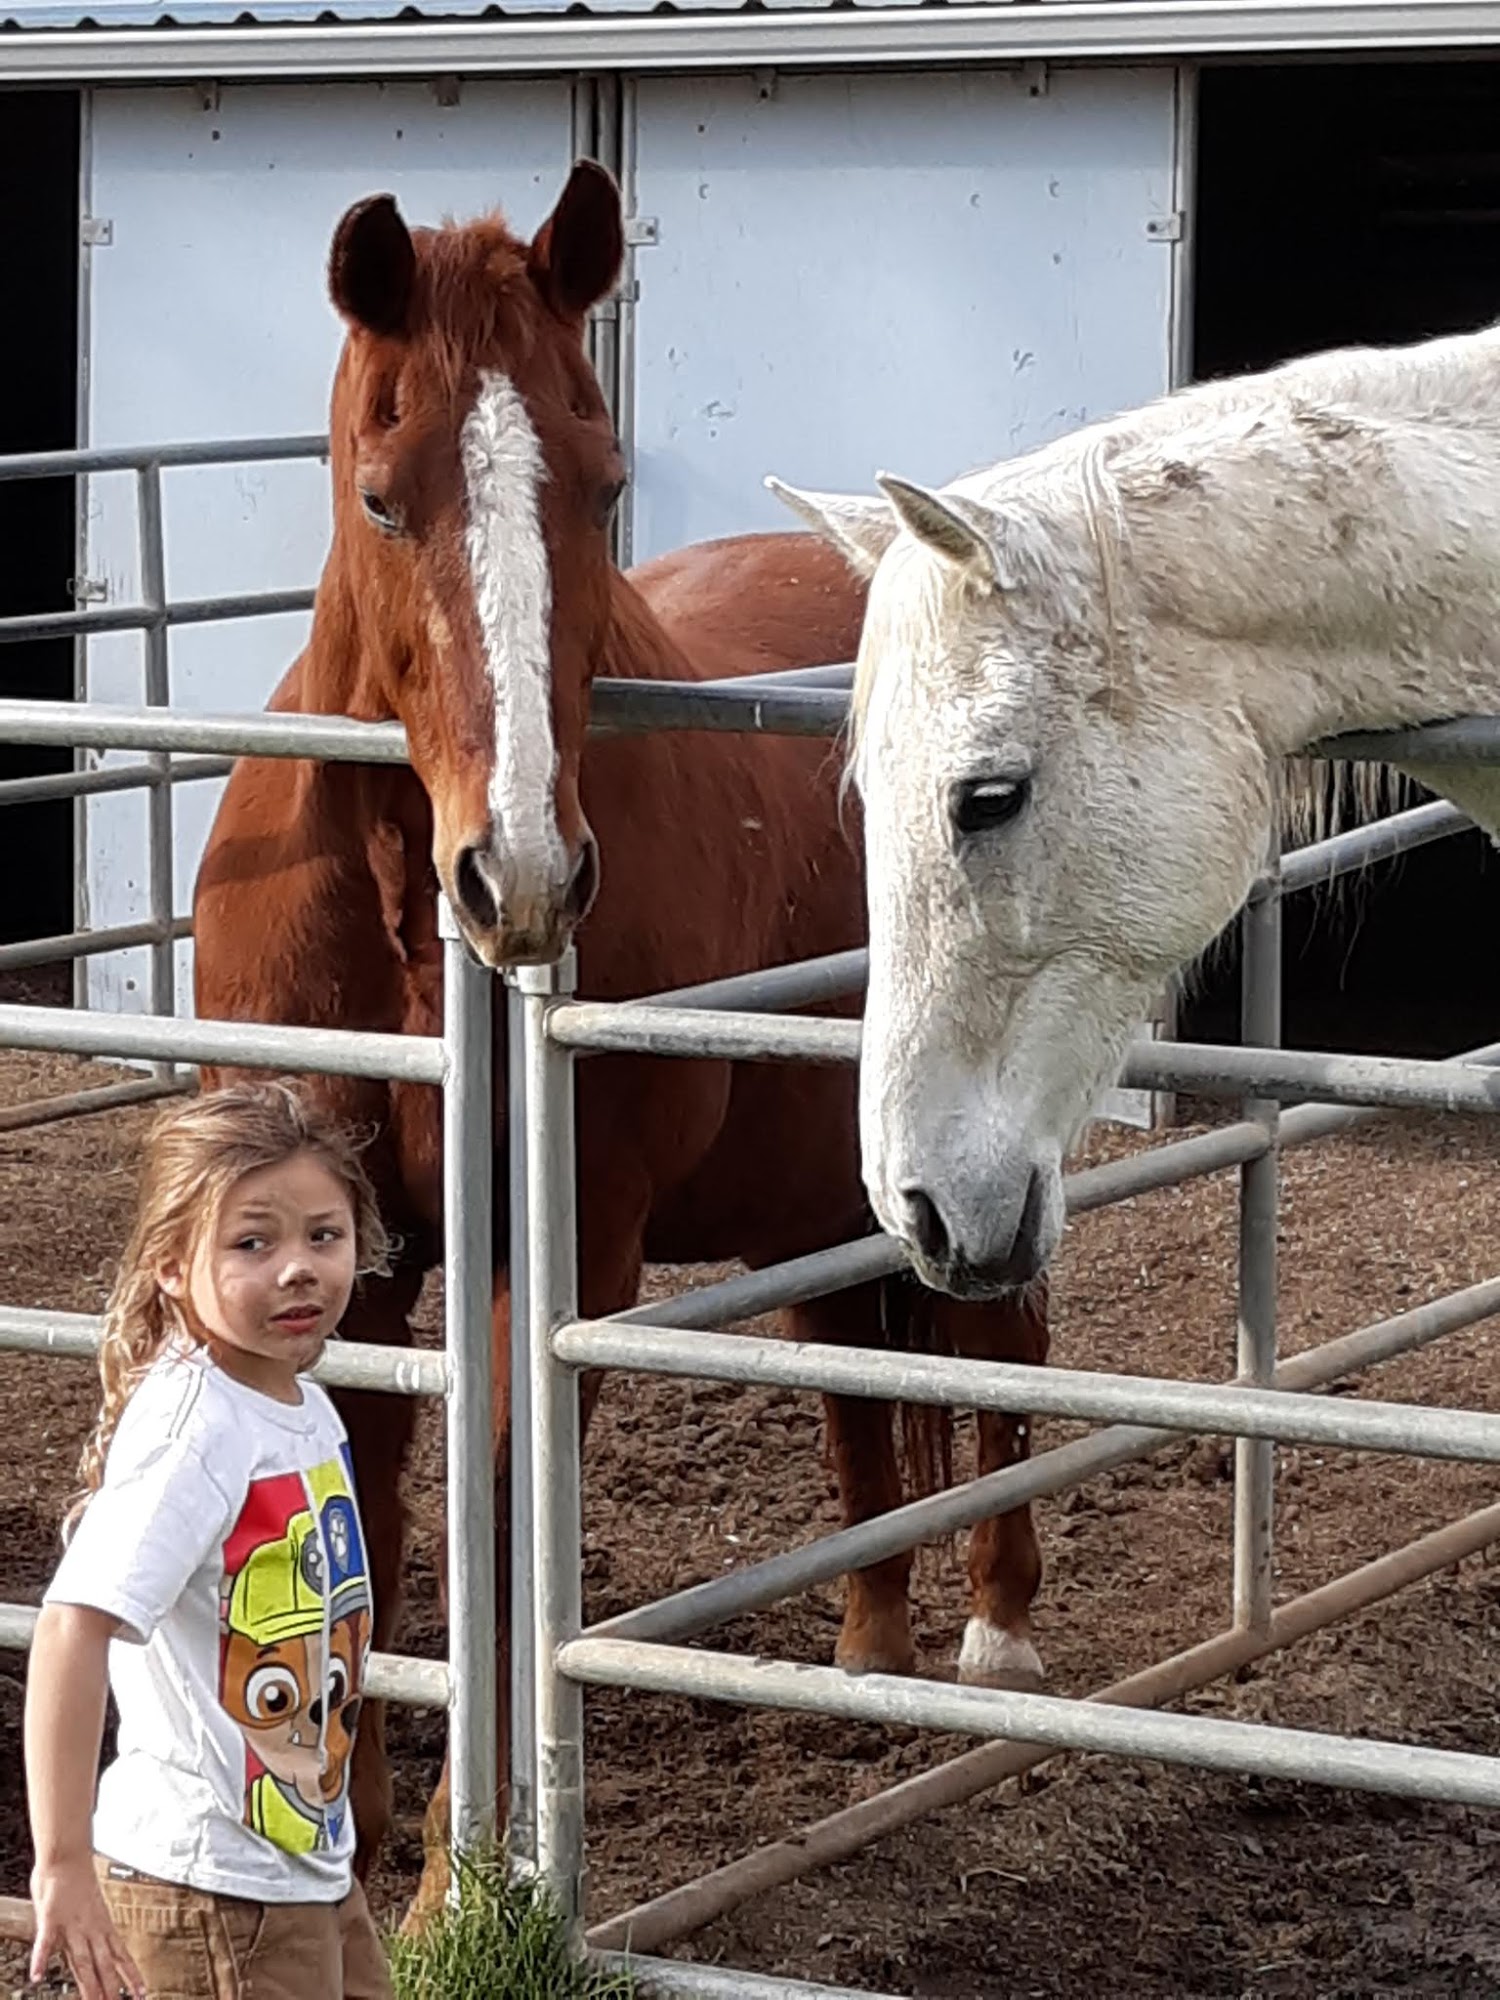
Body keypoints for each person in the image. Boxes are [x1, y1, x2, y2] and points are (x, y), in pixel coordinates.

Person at [23, 1082, 396, 2000]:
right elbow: (72, 1625)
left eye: (324, 1234)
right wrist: (62, 1860)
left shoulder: (301, 1407)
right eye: (251, 1244)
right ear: (170, 1265)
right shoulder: (196, 1428)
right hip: (208, 1891)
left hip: (300, 1862)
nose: (298, 1268)